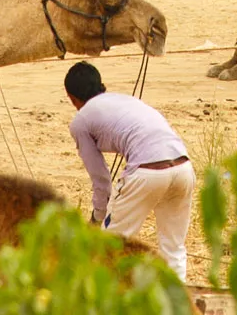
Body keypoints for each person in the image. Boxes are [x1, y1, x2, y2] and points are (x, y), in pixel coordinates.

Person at [65, 62, 195, 280]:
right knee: (174, 249)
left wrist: (97, 219)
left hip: (147, 171)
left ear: (72, 98)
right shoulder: (126, 100)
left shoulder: (81, 121)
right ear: (101, 86)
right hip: (183, 167)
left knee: (111, 248)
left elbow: (101, 181)